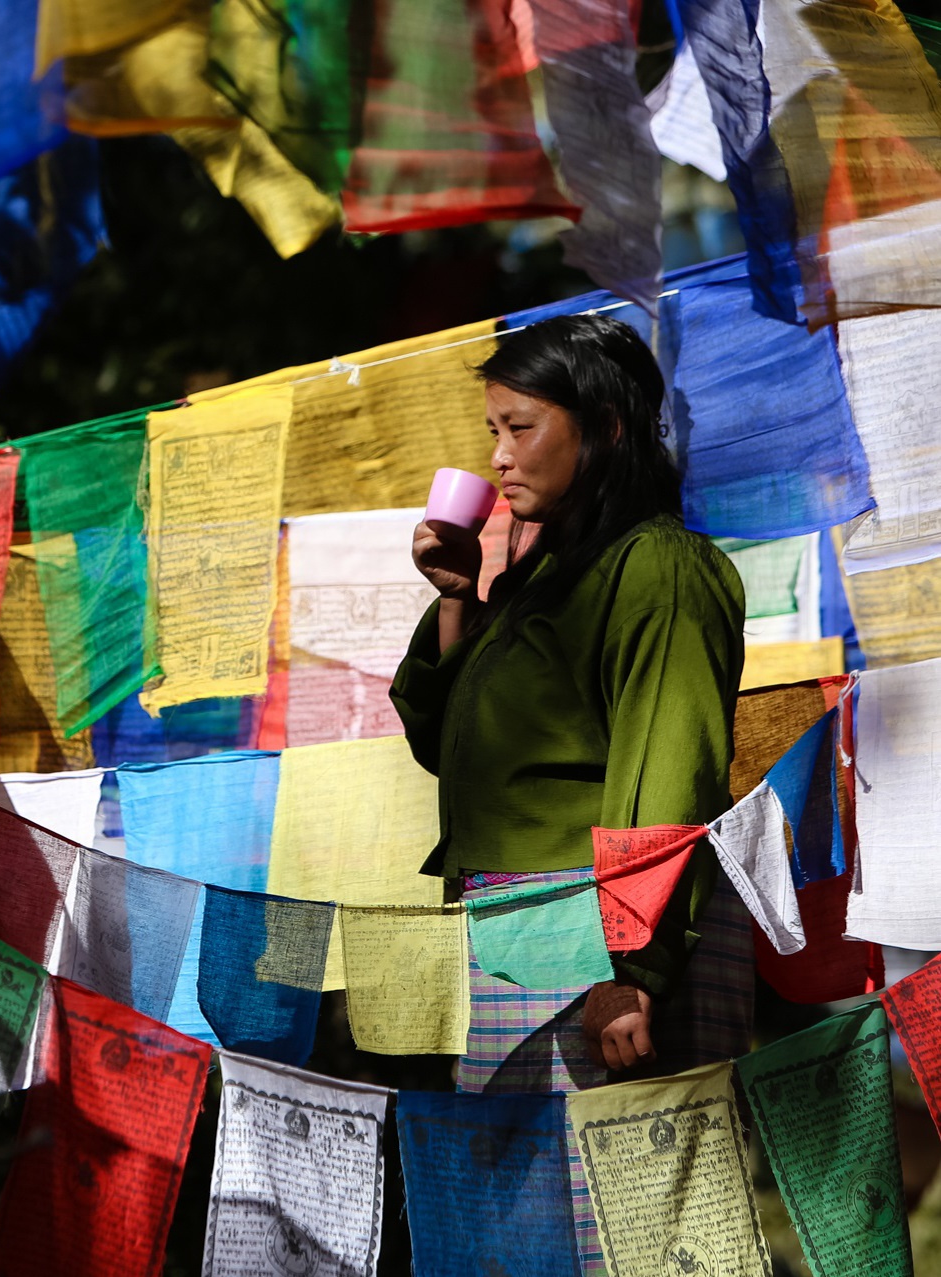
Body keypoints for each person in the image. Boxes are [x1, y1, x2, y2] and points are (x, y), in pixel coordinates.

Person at [389, 313, 750, 1272]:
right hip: (517, 942)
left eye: (522, 428)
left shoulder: (660, 568)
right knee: (523, 1246)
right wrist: (460, 595)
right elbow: (447, 745)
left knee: (637, 1246)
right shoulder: (543, 582)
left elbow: (664, 771)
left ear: (609, 429)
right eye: (491, 433)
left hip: (607, 944)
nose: (498, 458)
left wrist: (632, 968)